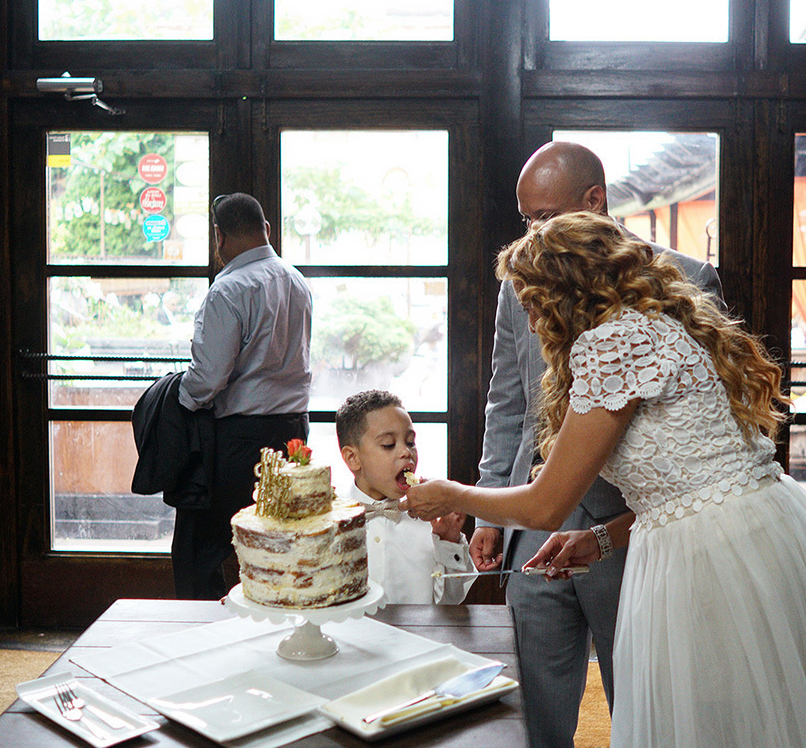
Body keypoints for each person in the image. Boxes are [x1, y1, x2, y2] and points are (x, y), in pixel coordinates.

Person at [402, 212, 806, 748]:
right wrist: (599, 537)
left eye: (531, 305)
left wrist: (449, 495)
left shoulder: (614, 345)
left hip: (716, 556)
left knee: (719, 720)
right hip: (752, 529)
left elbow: (547, 505)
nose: (529, 324)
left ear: (564, 292)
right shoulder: (652, 325)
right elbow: (688, 483)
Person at [472, 141, 724, 747]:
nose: (534, 232)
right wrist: (486, 501)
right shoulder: (520, 282)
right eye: (526, 218)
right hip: (531, 523)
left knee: (641, 697)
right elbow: (509, 399)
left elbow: (713, 415)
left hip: (633, 527)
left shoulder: (685, 279)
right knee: (529, 702)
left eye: (547, 216)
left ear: (595, 201)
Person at [174, 193, 312, 600]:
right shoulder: (296, 280)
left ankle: (202, 638)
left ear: (219, 236)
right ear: (266, 229)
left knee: (201, 548)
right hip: (292, 434)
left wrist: (175, 400)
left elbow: (207, 379)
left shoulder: (229, 289)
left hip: (240, 440)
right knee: (279, 541)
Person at [335, 390, 475, 604]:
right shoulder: (328, 523)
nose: (406, 452)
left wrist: (448, 542)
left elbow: (451, 602)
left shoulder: (432, 521)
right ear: (353, 458)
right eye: (388, 445)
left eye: (410, 442)